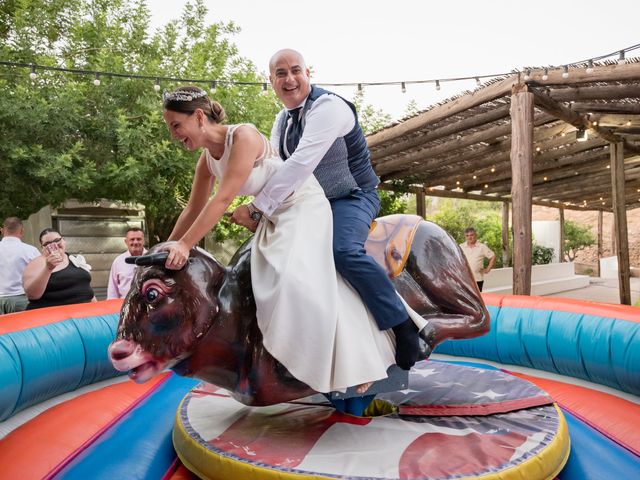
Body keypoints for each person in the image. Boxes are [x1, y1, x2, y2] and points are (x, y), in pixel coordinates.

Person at [160, 86, 427, 394]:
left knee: (291, 277)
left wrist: (185, 245)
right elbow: (193, 208)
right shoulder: (207, 161)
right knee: (260, 280)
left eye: (176, 126)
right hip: (273, 213)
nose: (174, 134)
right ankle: (304, 360)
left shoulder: (243, 137)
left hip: (301, 204)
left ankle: (370, 351)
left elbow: (222, 199)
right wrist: (165, 247)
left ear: (197, 117)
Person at [231, 49, 425, 370]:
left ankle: (402, 326)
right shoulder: (281, 121)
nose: (289, 79)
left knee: (342, 251)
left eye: (296, 70)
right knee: (273, 255)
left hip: (352, 197)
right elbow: (277, 169)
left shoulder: (329, 107)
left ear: (309, 73)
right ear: (271, 81)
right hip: (310, 204)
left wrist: (258, 208)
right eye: (281, 73)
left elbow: (301, 164)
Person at [22, 228, 96, 310]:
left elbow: (86, 287)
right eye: (47, 244)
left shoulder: (74, 259)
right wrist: (48, 268)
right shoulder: (37, 263)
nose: (54, 245)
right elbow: (32, 295)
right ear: (42, 248)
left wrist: (97, 309)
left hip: (84, 313)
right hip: (53, 316)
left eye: (57, 240)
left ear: (64, 240)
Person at [0, 217, 40, 314]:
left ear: (2, 230)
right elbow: (41, 274)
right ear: (22, 231)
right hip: (22, 300)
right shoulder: (31, 251)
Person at [107, 227, 146, 299]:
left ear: (144, 241)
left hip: (148, 306)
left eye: (139, 239)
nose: (135, 242)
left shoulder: (152, 258)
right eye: (132, 239)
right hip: (125, 306)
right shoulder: (118, 261)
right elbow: (112, 290)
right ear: (126, 241)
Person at [460, 227, 496, 292]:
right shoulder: (461, 247)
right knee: (465, 300)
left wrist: (487, 269)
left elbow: (493, 256)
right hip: (464, 279)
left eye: (471, 235)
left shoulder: (482, 247)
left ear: (475, 235)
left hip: (477, 279)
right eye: (467, 236)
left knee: (477, 300)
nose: (469, 237)